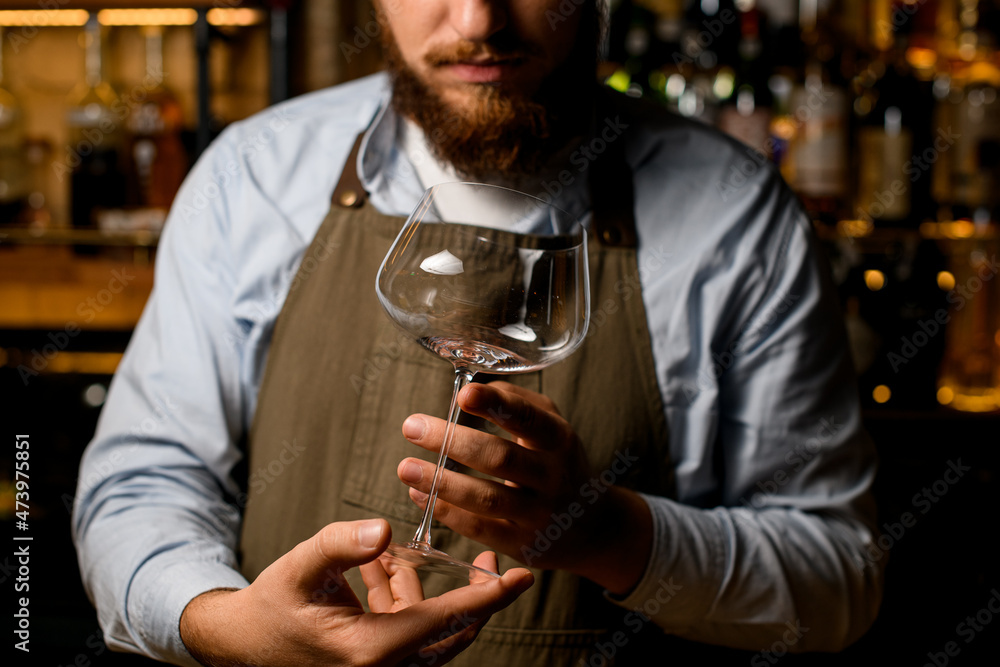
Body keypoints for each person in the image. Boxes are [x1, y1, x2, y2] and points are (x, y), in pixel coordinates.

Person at [72, 1, 885, 665]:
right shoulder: (254, 175)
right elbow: (143, 482)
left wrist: (610, 533)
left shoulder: (735, 214)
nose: (475, 21)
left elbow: (837, 582)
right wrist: (222, 624)